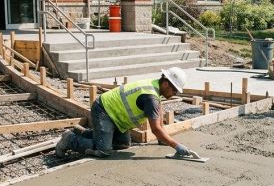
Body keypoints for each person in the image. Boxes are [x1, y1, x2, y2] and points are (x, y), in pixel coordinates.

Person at [55, 67, 199, 159]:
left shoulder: (155, 87)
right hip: (104, 110)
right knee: (104, 150)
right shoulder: (150, 96)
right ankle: (69, 140)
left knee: (123, 145)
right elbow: (155, 128)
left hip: (116, 116)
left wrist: (163, 140)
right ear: (166, 83)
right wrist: (176, 145)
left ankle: (82, 133)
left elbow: (158, 114)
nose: (174, 94)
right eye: (174, 90)